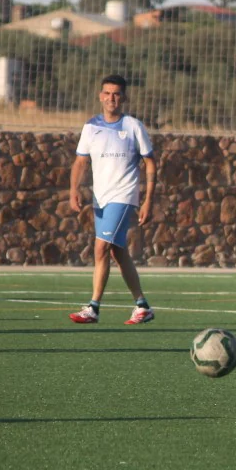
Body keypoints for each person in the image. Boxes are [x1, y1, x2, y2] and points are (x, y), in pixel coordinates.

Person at [68, 74, 156, 325]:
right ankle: (142, 306)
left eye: (116, 94)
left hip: (124, 195)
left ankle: (93, 307)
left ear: (124, 97)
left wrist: (148, 199)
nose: (111, 98)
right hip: (101, 199)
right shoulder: (91, 127)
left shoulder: (133, 126)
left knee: (100, 247)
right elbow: (80, 161)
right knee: (117, 251)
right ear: (100, 96)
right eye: (107, 93)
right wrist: (73, 189)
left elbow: (150, 162)